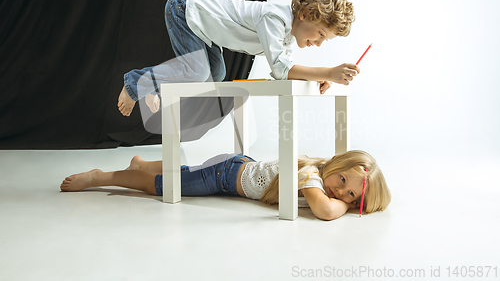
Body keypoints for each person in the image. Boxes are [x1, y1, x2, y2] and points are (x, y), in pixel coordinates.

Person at [118, 0, 359, 116]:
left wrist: (315, 80)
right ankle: (134, 83)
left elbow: (287, 67)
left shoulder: (285, 35)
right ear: (305, 14)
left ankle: (156, 89)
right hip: (186, 7)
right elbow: (282, 71)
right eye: (320, 34)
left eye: (324, 40)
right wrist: (328, 73)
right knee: (197, 72)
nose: (318, 43)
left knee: (216, 75)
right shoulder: (274, 19)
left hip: (204, 29)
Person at [60, 150, 391, 221]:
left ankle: (141, 165)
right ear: (337, 164)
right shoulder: (313, 177)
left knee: (187, 171)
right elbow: (323, 210)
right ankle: (102, 177)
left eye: (351, 194)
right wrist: (347, 205)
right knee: (163, 187)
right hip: (224, 177)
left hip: (233, 170)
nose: (340, 192)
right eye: (344, 181)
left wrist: (354, 196)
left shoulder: (320, 176)